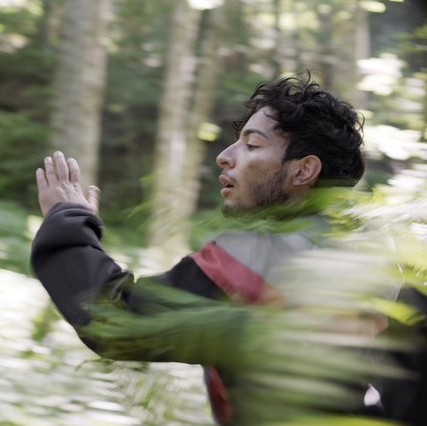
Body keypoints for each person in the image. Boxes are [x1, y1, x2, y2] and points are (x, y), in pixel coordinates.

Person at [30, 74, 420, 424]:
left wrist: (68, 219)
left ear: (303, 170)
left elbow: (115, 320)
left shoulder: (259, 257)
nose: (225, 156)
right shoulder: (382, 256)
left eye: (252, 144)